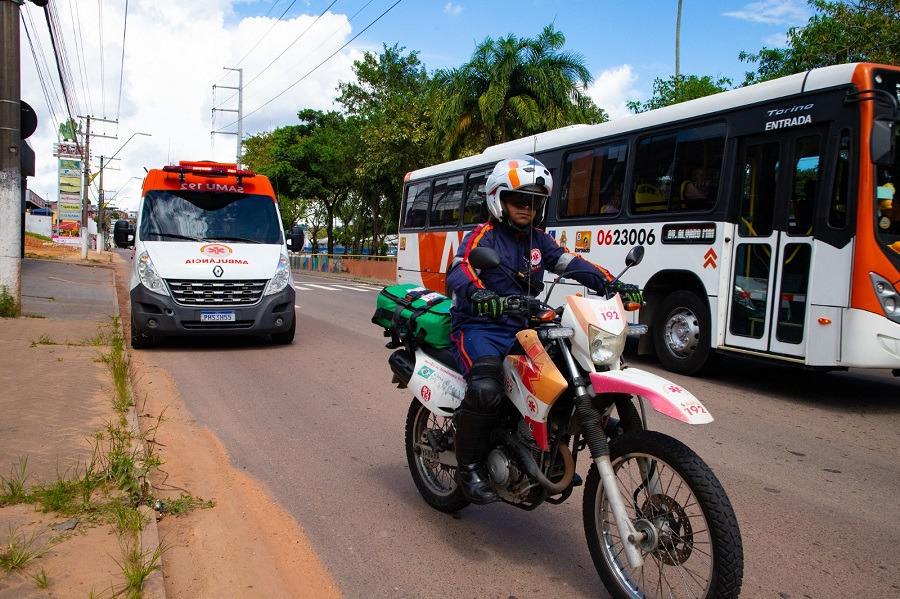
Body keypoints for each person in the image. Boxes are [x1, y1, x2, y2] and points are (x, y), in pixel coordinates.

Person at [445, 156, 643, 504]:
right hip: (480, 327)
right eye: (519, 199)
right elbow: (460, 269)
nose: (527, 207)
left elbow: (572, 263)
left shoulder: (539, 240)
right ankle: (470, 467)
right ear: (499, 199)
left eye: (535, 201)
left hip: (524, 325)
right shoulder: (485, 236)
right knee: (488, 387)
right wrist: (480, 295)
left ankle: (553, 442)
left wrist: (612, 284)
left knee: (567, 376)